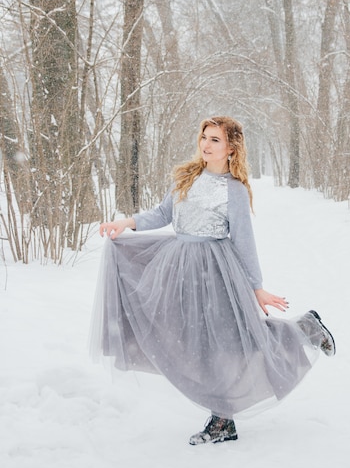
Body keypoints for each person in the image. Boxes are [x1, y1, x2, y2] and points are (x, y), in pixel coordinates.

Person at [89, 115, 335, 445]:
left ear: (231, 149)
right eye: (204, 137)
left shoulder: (234, 191)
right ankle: (224, 415)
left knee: (231, 341)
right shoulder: (185, 177)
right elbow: (163, 215)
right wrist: (127, 223)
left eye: (215, 140)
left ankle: (302, 332)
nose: (206, 144)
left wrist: (256, 287)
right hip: (178, 267)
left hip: (216, 273)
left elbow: (244, 241)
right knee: (188, 340)